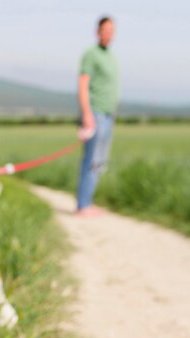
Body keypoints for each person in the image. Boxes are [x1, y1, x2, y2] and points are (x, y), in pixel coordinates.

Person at [76, 16, 119, 216]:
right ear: (97, 31)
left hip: (109, 115)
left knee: (100, 160)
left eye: (111, 30)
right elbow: (83, 85)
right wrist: (87, 114)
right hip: (95, 114)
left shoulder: (110, 56)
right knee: (91, 159)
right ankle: (83, 204)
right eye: (105, 30)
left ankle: (89, 201)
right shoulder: (91, 54)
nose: (108, 34)